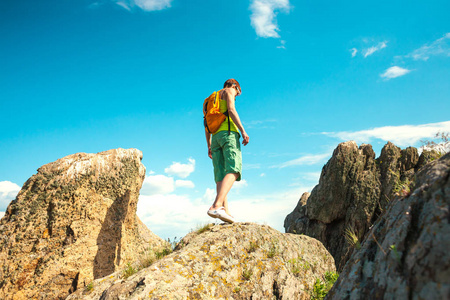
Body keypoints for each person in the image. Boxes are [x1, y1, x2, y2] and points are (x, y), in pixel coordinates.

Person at [205, 79, 250, 223]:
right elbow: (231, 110)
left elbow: (206, 124)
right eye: (238, 93)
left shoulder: (209, 100)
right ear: (235, 87)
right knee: (234, 170)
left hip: (215, 137)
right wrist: (243, 131)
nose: (236, 95)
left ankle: (226, 213)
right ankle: (216, 206)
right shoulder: (229, 91)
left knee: (221, 175)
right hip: (228, 134)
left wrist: (209, 145)